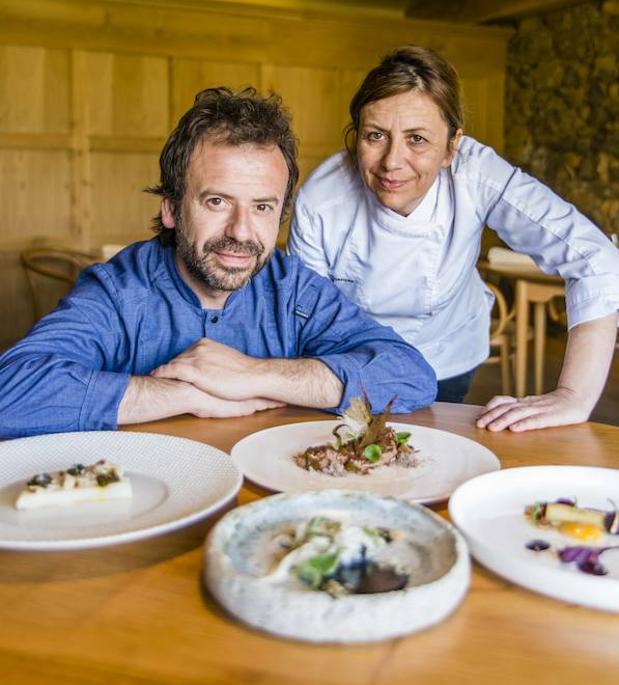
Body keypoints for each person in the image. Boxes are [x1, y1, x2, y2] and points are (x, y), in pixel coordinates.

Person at [0, 87, 437, 439]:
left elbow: (409, 374)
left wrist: (256, 375)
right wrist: (179, 395)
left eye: (263, 207)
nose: (242, 232)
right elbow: (12, 393)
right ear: (171, 208)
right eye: (217, 201)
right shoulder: (119, 290)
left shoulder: (294, 290)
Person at [288, 45, 619, 433]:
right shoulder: (322, 198)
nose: (392, 162)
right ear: (356, 135)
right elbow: (307, 318)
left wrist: (573, 396)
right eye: (375, 135)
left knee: (432, 453)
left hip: (446, 352)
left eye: (417, 139)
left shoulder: (477, 174)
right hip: (353, 359)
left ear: (452, 147)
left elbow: (593, 258)